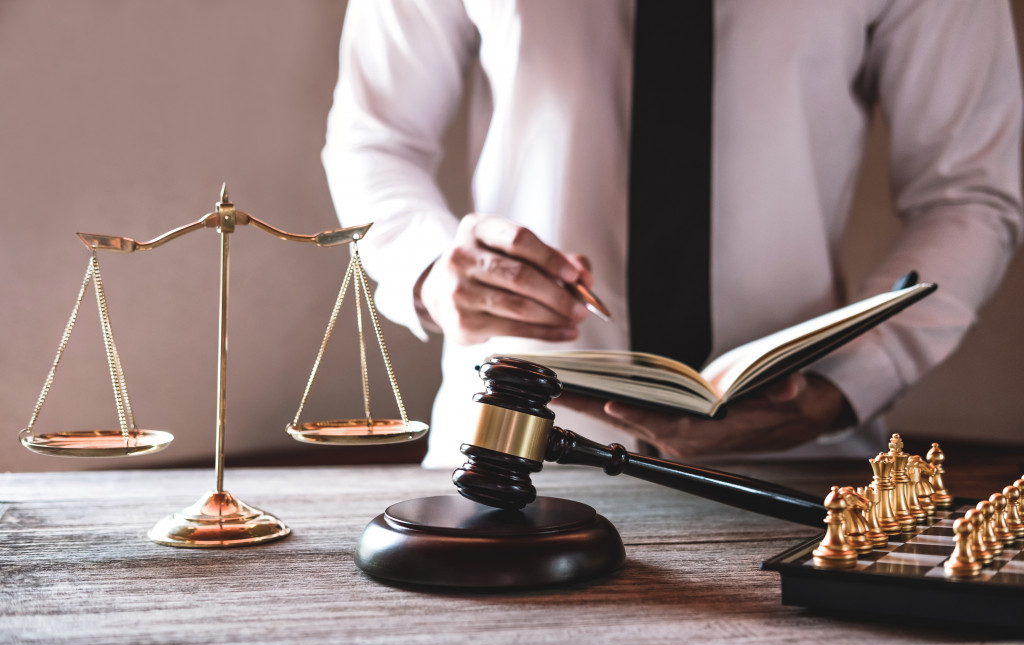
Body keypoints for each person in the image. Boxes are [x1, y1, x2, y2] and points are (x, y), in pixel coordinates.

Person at [322, 1, 1023, 469]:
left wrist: (847, 383)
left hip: (799, 462)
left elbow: (969, 192)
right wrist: (429, 270)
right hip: (509, 447)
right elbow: (373, 139)